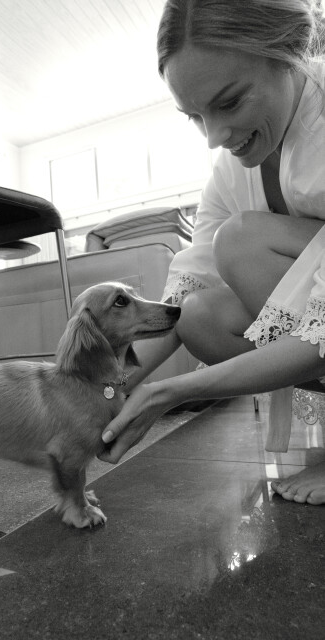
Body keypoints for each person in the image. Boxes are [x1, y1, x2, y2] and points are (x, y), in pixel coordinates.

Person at [99, 0, 325, 506]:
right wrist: (109, 384)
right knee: (199, 316)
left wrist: (173, 391)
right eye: (196, 116)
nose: (214, 137)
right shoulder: (230, 167)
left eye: (230, 102)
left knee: (240, 241)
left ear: (288, 53)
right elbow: (187, 286)